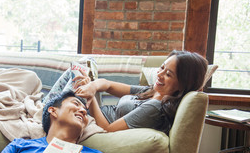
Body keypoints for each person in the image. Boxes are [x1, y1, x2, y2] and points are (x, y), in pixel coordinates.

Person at [62, 50, 207, 134]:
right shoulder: (154, 92)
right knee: (82, 67)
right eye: (161, 67)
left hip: (90, 118)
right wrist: (93, 86)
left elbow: (108, 130)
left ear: (183, 84)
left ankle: (47, 109)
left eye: (168, 74)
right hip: (90, 110)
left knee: (75, 76)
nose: (159, 74)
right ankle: (46, 108)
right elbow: (108, 85)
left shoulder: (154, 108)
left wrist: (90, 96)